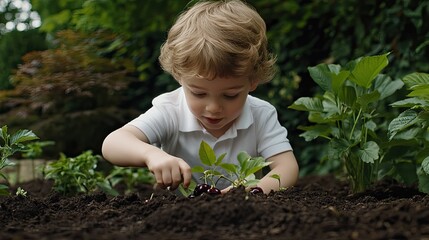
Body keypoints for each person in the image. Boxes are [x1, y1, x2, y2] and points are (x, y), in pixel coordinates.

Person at [102, 0, 299, 194]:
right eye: (199, 93)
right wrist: (151, 155)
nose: (213, 107)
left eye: (230, 95)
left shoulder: (261, 115)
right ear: (179, 77)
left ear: (253, 81)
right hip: (178, 219)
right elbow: (113, 143)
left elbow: (286, 167)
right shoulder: (170, 111)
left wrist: (249, 192)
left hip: (246, 215)